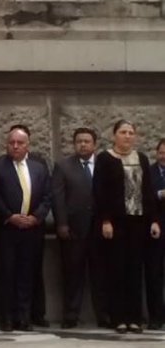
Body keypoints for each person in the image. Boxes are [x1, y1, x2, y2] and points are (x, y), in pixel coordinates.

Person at [94, 119, 160, 334]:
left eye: (131, 132)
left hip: (138, 221)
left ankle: (135, 318)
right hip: (116, 223)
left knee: (135, 270)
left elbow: (148, 192)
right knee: (117, 270)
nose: (127, 136)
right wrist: (105, 220)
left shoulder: (140, 158)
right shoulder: (105, 159)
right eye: (123, 132)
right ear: (114, 135)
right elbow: (99, 192)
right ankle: (118, 317)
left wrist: (154, 220)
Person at [0, 124, 52, 332]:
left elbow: (47, 196)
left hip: (32, 229)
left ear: (28, 145)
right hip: (8, 229)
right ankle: (7, 317)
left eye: (20, 143)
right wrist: (9, 216)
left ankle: (24, 316)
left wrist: (36, 217)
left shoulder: (38, 167)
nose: (15, 147)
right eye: (12, 143)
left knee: (28, 273)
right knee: (8, 272)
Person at [51, 127, 107, 329]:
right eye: (79, 141)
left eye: (87, 141)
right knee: (72, 274)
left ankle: (104, 315)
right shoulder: (63, 166)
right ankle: (71, 315)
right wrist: (62, 223)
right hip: (73, 230)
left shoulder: (104, 164)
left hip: (100, 230)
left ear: (95, 144)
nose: (83, 144)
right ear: (74, 144)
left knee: (101, 275)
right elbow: (57, 197)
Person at [145, 137, 165, 330]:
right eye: (161, 153)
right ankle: (155, 316)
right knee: (154, 275)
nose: (164, 156)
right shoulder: (149, 172)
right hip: (155, 228)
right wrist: (160, 194)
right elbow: (145, 196)